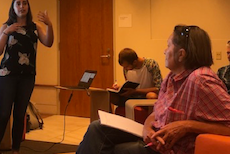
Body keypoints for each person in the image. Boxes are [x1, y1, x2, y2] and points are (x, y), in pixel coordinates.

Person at [76, 25, 230, 154]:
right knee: (97, 128)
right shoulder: (171, 78)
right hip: (153, 137)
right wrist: (146, 128)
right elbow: (157, 112)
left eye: (168, 45)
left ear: (181, 54)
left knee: (110, 149)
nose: (164, 51)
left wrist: (188, 126)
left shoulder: (201, 80)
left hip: (169, 149)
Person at [0, 0, 54, 154]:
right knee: (4, 114)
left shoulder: (35, 27)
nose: (22, 6)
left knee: (20, 114)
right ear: (13, 8)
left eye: (25, 3)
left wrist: (49, 25)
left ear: (28, 7)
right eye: (18, 3)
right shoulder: (6, 26)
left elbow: (48, 42)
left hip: (27, 76)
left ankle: (15, 149)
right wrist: (7, 32)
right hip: (7, 75)